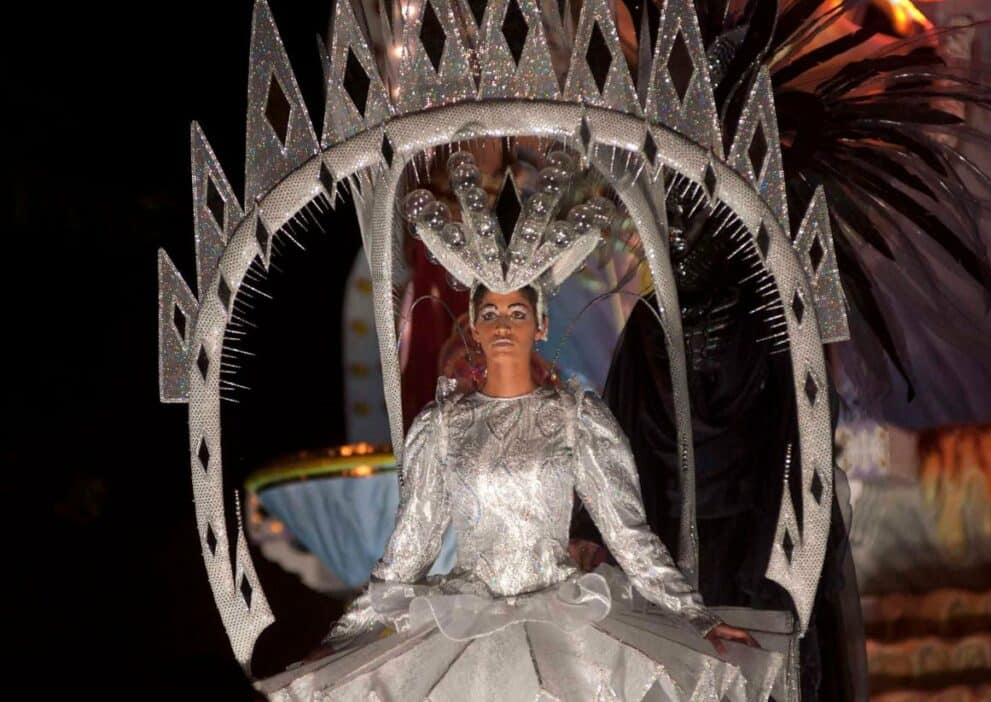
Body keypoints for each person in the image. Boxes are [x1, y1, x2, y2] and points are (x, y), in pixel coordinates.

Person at [261, 284, 783, 701]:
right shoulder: (442, 426)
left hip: (565, 620)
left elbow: (628, 535)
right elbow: (410, 550)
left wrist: (698, 616)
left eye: (516, 312)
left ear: (541, 325)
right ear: (472, 327)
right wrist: (339, 639)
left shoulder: (577, 417)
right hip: (463, 625)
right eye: (490, 313)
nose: (503, 326)